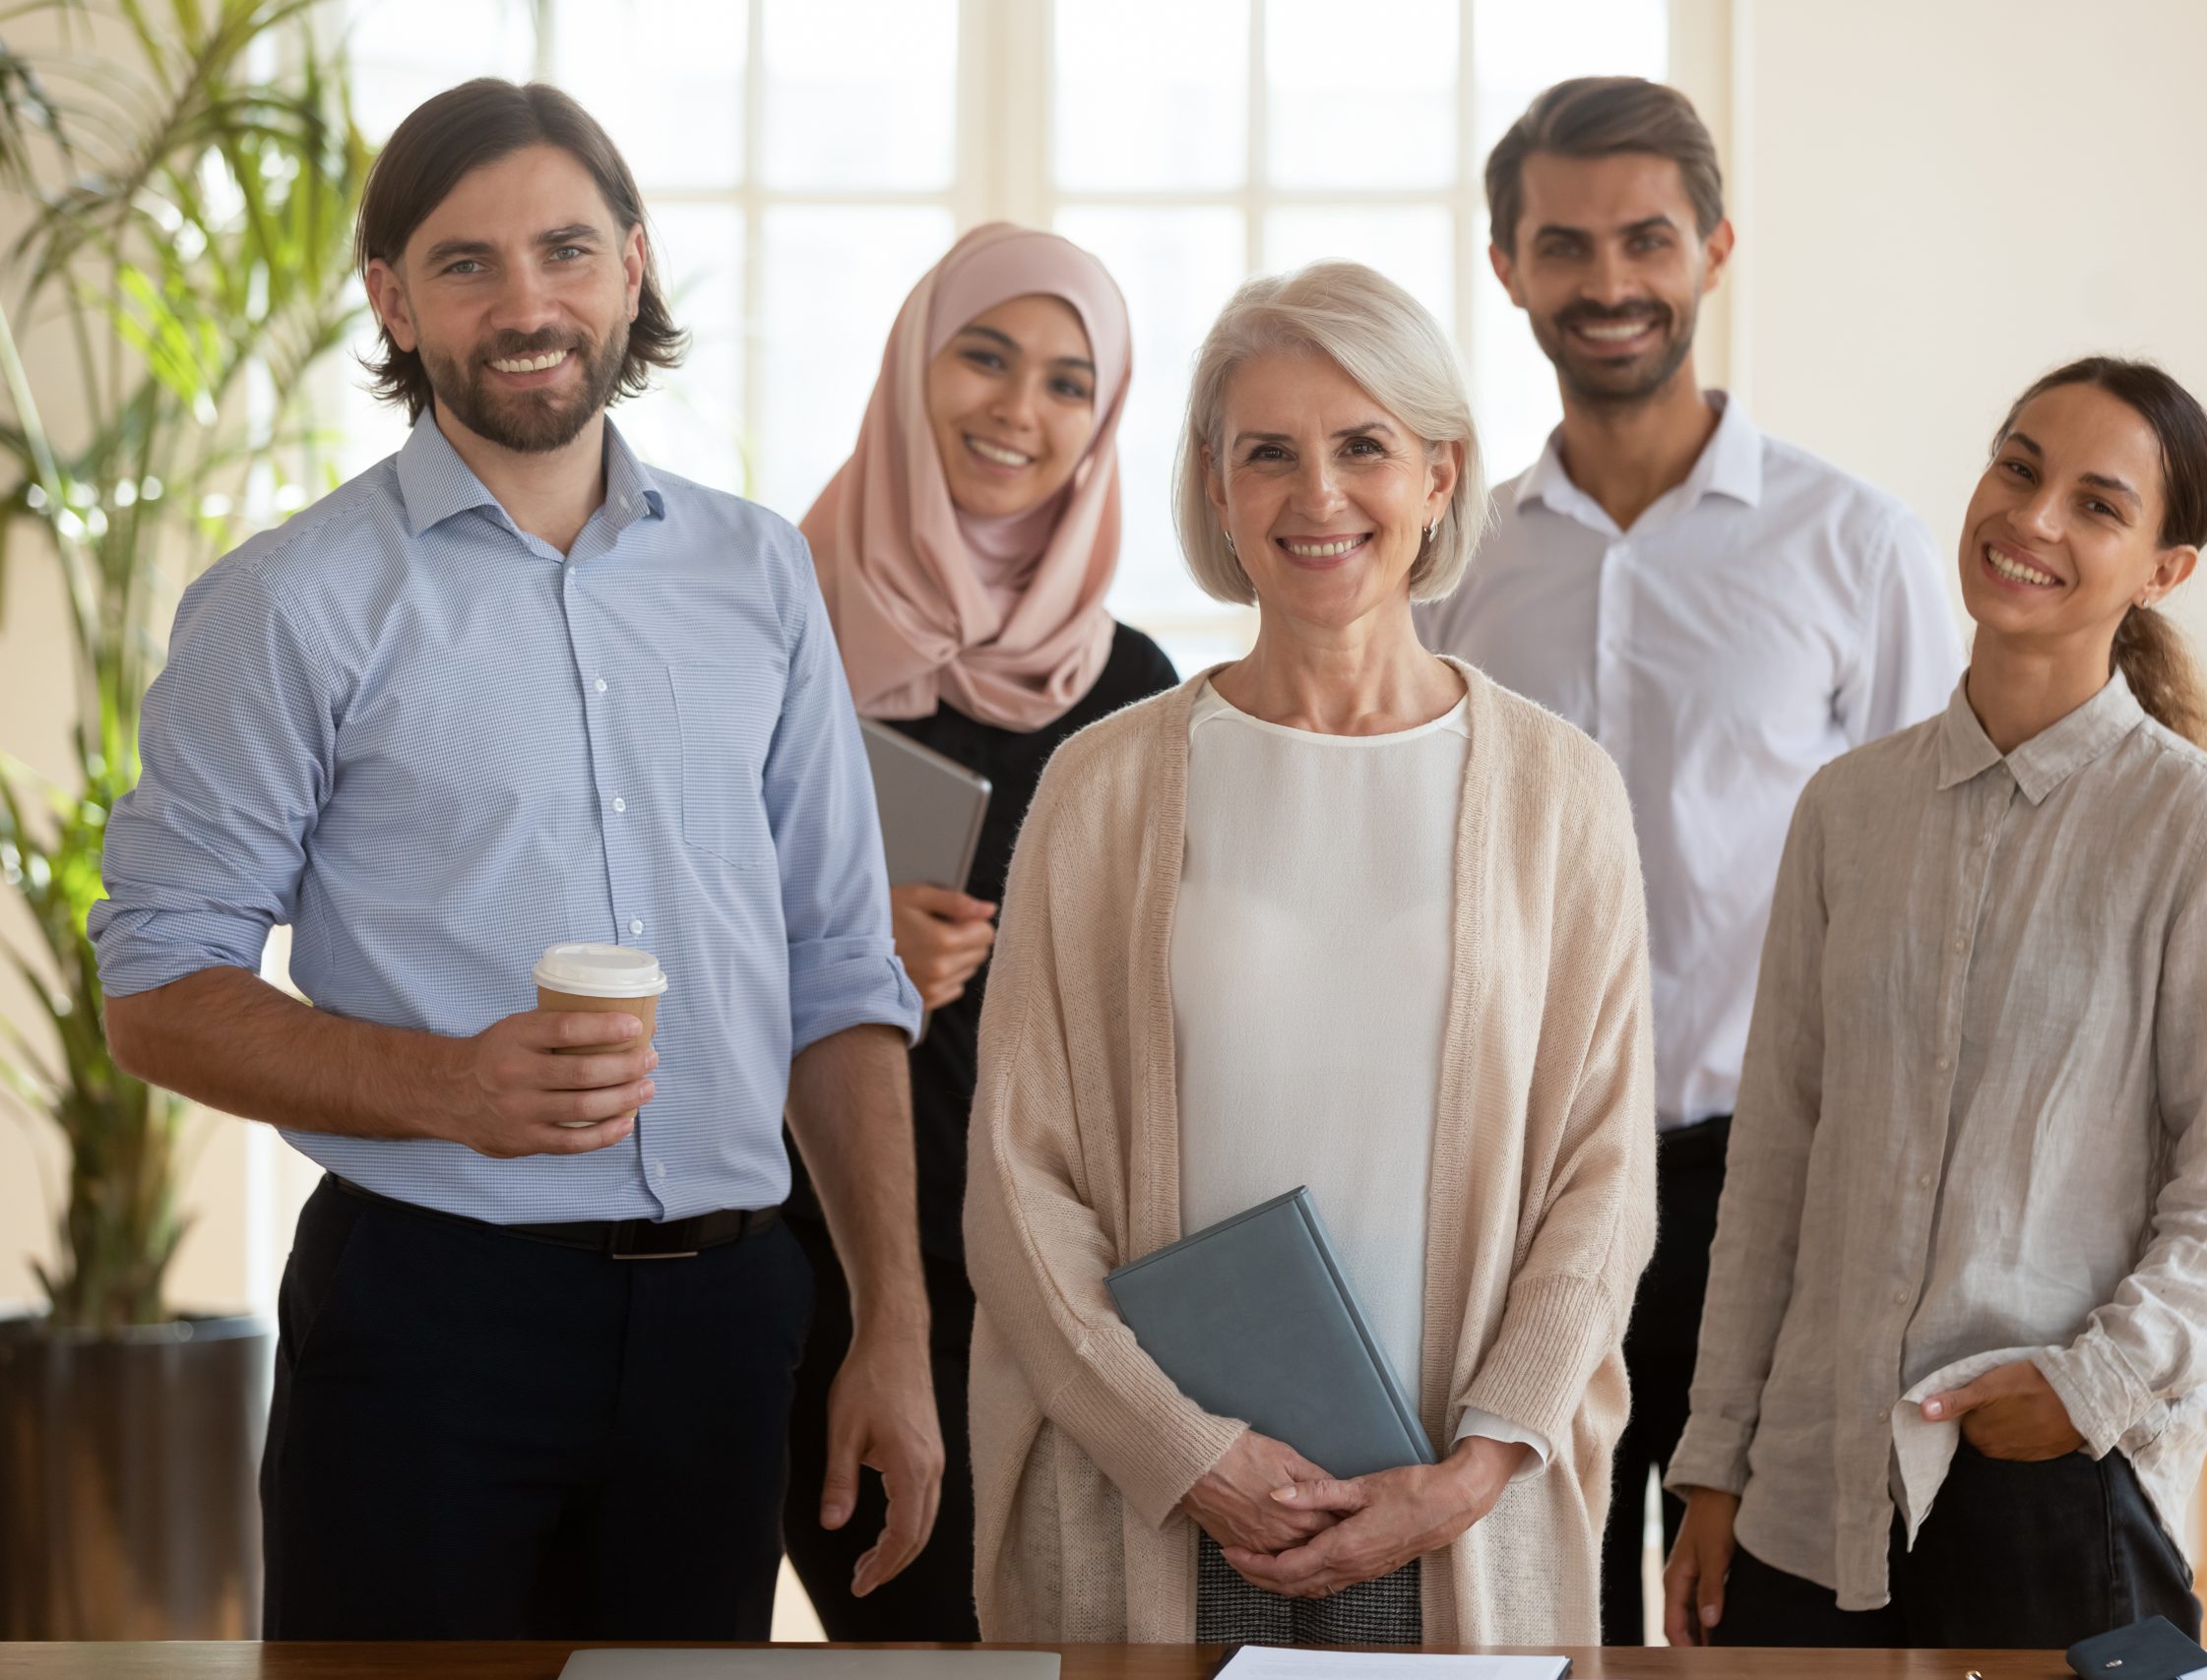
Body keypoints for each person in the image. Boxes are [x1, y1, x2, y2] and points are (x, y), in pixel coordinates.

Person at [89, 79, 939, 1641]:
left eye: (564, 250)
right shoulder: (293, 602)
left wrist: (891, 1322)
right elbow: (155, 984)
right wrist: (449, 1088)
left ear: (634, 266)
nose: (528, 302)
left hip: (726, 1323)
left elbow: (836, 963)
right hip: (429, 1320)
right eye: (467, 264)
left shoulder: (759, 573)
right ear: (392, 304)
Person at [961, 261, 1657, 1645]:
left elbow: (1605, 1175)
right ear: (1216, 487)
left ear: (1442, 476)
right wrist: (1186, 1454)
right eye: (1266, 453)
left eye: (1363, 449)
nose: (1317, 496)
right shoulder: (1104, 786)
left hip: (1456, 1514)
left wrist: (1475, 1468)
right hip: (1160, 1498)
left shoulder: (1558, 792)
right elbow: (1015, 1178)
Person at [1414, 75, 1968, 1642]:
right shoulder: (1458, 564)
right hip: (1520, 1183)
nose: (1608, 283)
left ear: (1716, 250)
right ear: (1508, 264)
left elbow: (1929, 889)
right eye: (1564, 245)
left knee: (1762, 1621)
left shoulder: (1852, 546)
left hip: (1769, 1181)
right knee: (1541, 1603)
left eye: (1645, 239)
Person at [1662, 357, 2207, 1649]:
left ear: (2163, 570)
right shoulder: (1846, 810)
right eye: (2018, 467)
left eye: (2097, 506)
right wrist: (1715, 1463)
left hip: (2053, 1494)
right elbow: (1772, 1168)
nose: (2035, 519)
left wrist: (2083, 1387)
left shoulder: (2196, 827)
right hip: (1804, 1508)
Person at [781, 222, 1177, 1638]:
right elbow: (648, 911)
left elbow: (1161, 987)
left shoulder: (1126, 679)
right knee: (906, 1641)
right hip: (810, 1245)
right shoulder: (776, 620)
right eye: (986, 358)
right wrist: (828, 939)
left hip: (1056, 1272)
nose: (1020, 411)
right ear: (912, 366)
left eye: (1070, 383)